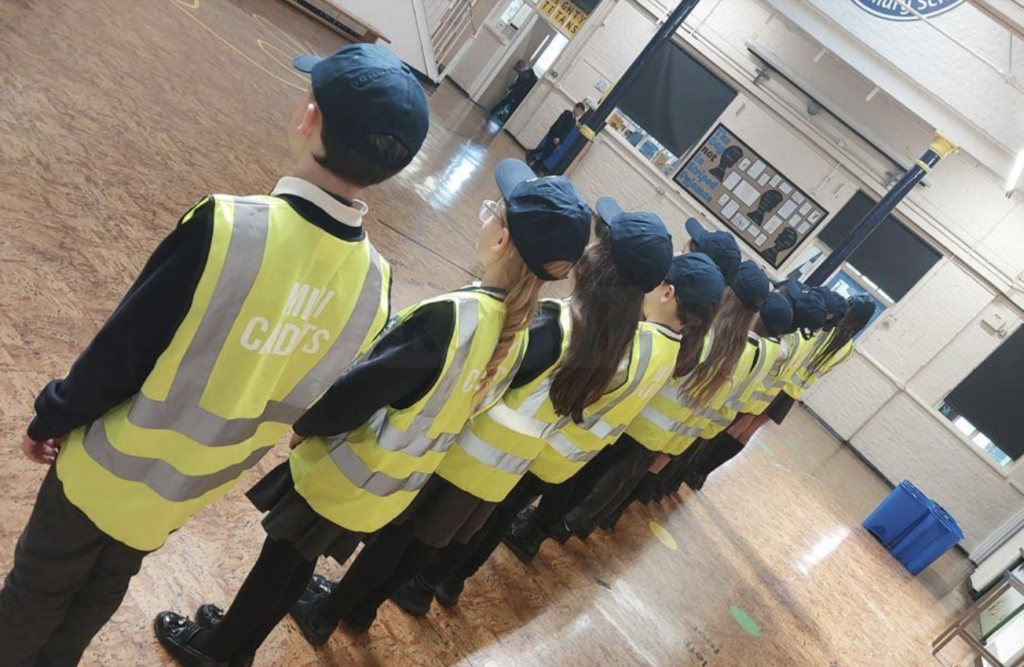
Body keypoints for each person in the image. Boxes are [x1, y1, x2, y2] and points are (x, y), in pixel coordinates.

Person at [0, 43, 429, 667]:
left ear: (308, 118)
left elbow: (122, 351)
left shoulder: (228, 226)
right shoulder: (375, 284)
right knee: (99, 595)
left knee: (35, 592)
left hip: (100, 468)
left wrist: (53, 415)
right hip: (184, 491)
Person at [152, 158, 592, 665]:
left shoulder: (450, 318)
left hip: (345, 471)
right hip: (390, 487)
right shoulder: (516, 332)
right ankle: (238, 636)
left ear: (500, 241)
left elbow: (358, 392)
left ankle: (220, 651)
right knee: (296, 563)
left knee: (280, 562)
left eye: (494, 211)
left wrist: (306, 426)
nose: (487, 215)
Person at [542, 259, 770, 542]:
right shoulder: (742, 349)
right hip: (668, 432)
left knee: (597, 475)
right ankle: (580, 523)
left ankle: (565, 522)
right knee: (621, 479)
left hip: (640, 419)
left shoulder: (704, 338)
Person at [526, 102, 587, 168]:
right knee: (547, 149)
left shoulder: (573, 121)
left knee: (548, 153)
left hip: (559, 139)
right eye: (578, 110)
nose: (578, 113)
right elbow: (559, 125)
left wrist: (561, 142)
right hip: (554, 134)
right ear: (575, 107)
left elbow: (566, 132)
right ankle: (531, 153)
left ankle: (535, 164)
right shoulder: (566, 114)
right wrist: (556, 136)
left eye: (580, 112)